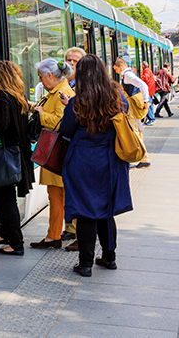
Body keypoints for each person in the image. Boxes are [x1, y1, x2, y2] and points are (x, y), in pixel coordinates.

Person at [58, 55, 133, 277]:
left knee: (85, 211)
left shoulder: (77, 102)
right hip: (110, 159)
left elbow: (66, 131)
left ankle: (86, 263)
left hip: (83, 161)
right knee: (106, 210)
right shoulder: (117, 96)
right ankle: (109, 257)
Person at [0, 61, 35, 255]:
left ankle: (17, 243)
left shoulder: (3, 98)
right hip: (16, 154)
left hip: (6, 157)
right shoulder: (18, 97)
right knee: (2, 195)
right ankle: (4, 233)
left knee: (6, 199)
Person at [29, 58, 75, 250]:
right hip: (56, 152)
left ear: (50, 75)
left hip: (57, 152)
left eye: (41, 77)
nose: (40, 81)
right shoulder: (57, 91)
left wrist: (40, 114)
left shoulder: (62, 93)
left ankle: (53, 236)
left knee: (57, 197)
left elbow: (60, 121)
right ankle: (53, 235)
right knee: (56, 196)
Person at [113, 58, 151, 168]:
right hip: (132, 107)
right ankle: (144, 158)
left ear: (121, 66)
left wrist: (146, 100)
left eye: (116, 69)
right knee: (136, 131)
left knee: (133, 131)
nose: (116, 71)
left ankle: (142, 157)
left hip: (131, 108)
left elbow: (143, 85)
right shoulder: (128, 74)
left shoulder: (128, 75)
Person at [140, 62, 156, 126]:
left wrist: (140, 75)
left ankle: (151, 119)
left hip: (148, 91)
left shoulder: (146, 71)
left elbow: (145, 78)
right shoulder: (149, 70)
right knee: (150, 104)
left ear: (143, 66)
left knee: (148, 105)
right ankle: (152, 118)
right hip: (150, 90)